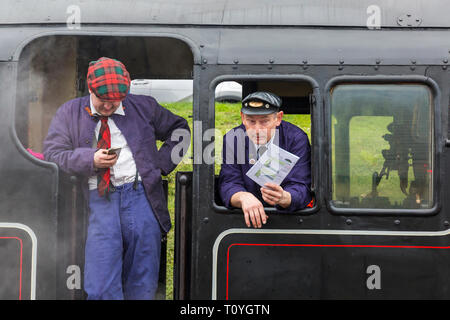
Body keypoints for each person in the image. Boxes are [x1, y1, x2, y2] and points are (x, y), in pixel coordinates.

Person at [43, 57, 190, 300]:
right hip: (98, 199)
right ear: (90, 88)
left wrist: (158, 166)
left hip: (142, 196)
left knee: (142, 280)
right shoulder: (69, 111)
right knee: (101, 286)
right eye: (103, 102)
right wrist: (90, 160)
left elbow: (181, 131)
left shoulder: (145, 106)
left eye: (115, 102)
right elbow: (53, 154)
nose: (109, 107)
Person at [218, 91, 312, 228]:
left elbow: (302, 184)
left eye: (264, 121)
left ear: (278, 118)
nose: (257, 129)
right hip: (246, 221)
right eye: (251, 121)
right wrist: (243, 197)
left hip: (288, 220)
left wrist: (285, 197)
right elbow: (228, 181)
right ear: (242, 117)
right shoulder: (233, 138)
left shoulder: (296, 139)